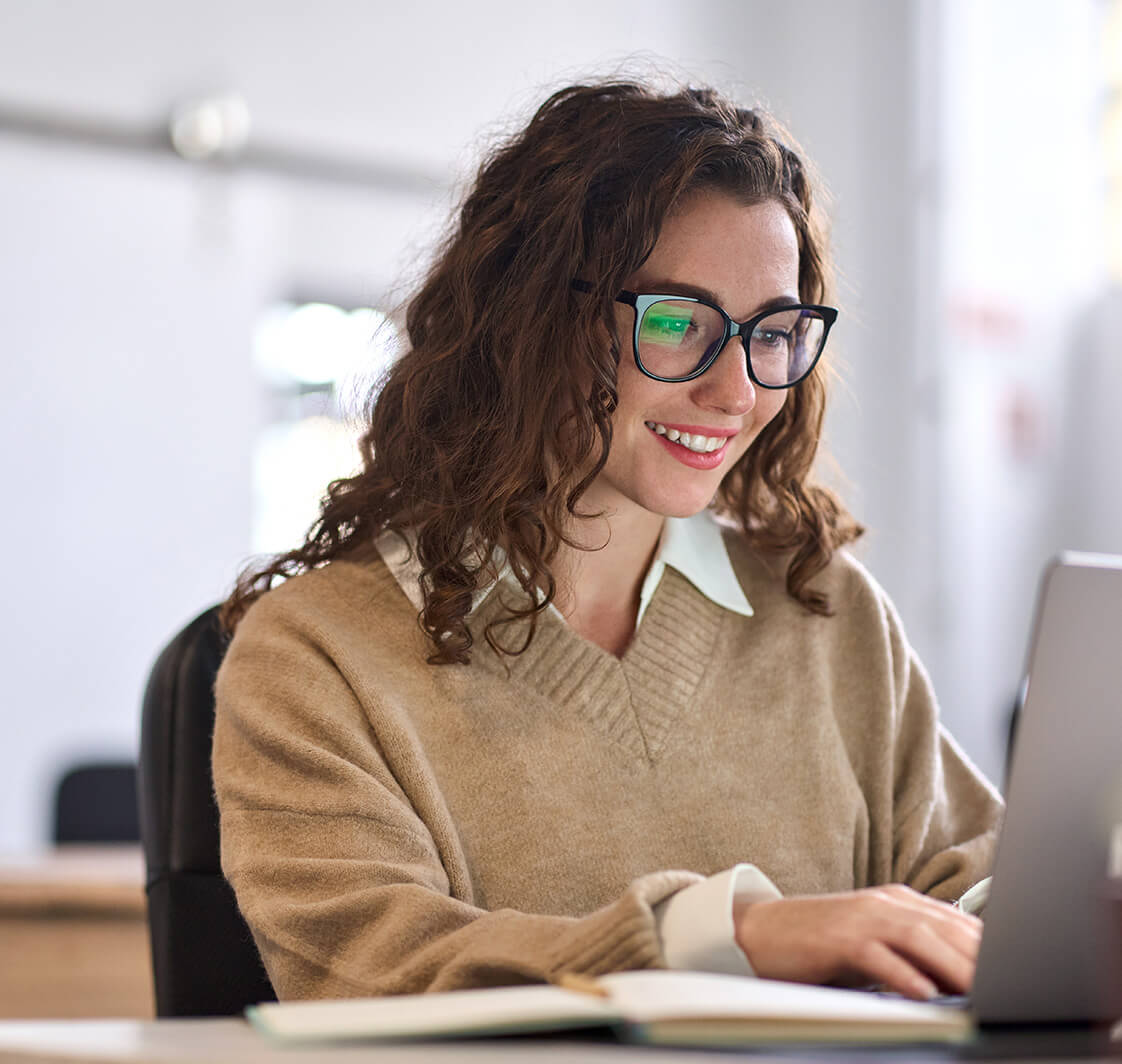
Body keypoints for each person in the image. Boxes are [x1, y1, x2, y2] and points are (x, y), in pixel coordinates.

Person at [213, 79, 1003, 1004]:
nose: (738, 394)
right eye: (676, 323)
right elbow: (380, 971)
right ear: (528, 322)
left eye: (774, 333)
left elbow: (978, 896)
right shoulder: (315, 656)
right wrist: (733, 936)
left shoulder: (828, 615)